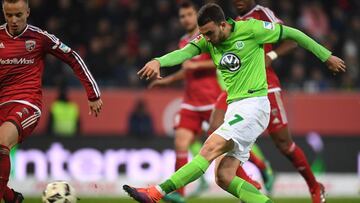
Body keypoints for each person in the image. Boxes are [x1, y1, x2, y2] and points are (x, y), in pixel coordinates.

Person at [123, 3, 345, 203]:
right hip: (235, 107)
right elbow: (184, 53)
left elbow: (294, 34)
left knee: (209, 147)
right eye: (204, 34)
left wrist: (326, 56)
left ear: (223, 24)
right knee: (224, 176)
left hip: (255, 105)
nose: (207, 39)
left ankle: (155, 193)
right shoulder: (207, 38)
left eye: (210, 33)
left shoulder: (252, 29)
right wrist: (158, 61)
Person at [208, 0, 328, 201]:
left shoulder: (262, 14)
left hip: (266, 86)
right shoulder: (233, 23)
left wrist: (271, 54)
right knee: (216, 128)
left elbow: (292, 39)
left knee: (283, 144)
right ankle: (250, 181)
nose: (238, 2)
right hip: (237, 89)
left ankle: (315, 186)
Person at [0, 0, 103, 202]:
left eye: (18, 15)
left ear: (28, 12)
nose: (13, 20)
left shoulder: (40, 38)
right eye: (8, 15)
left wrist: (93, 93)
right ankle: (11, 197)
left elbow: (73, 57)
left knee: (2, 142)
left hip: (26, 102)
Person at [148, 1, 221, 201]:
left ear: (196, 14)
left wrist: (197, 67)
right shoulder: (183, 42)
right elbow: (185, 70)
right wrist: (167, 81)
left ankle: (260, 170)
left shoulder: (208, 36)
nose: (186, 19)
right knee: (180, 142)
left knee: (228, 147)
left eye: (189, 14)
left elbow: (220, 60)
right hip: (190, 102)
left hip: (211, 100)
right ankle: (179, 195)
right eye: (182, 16)